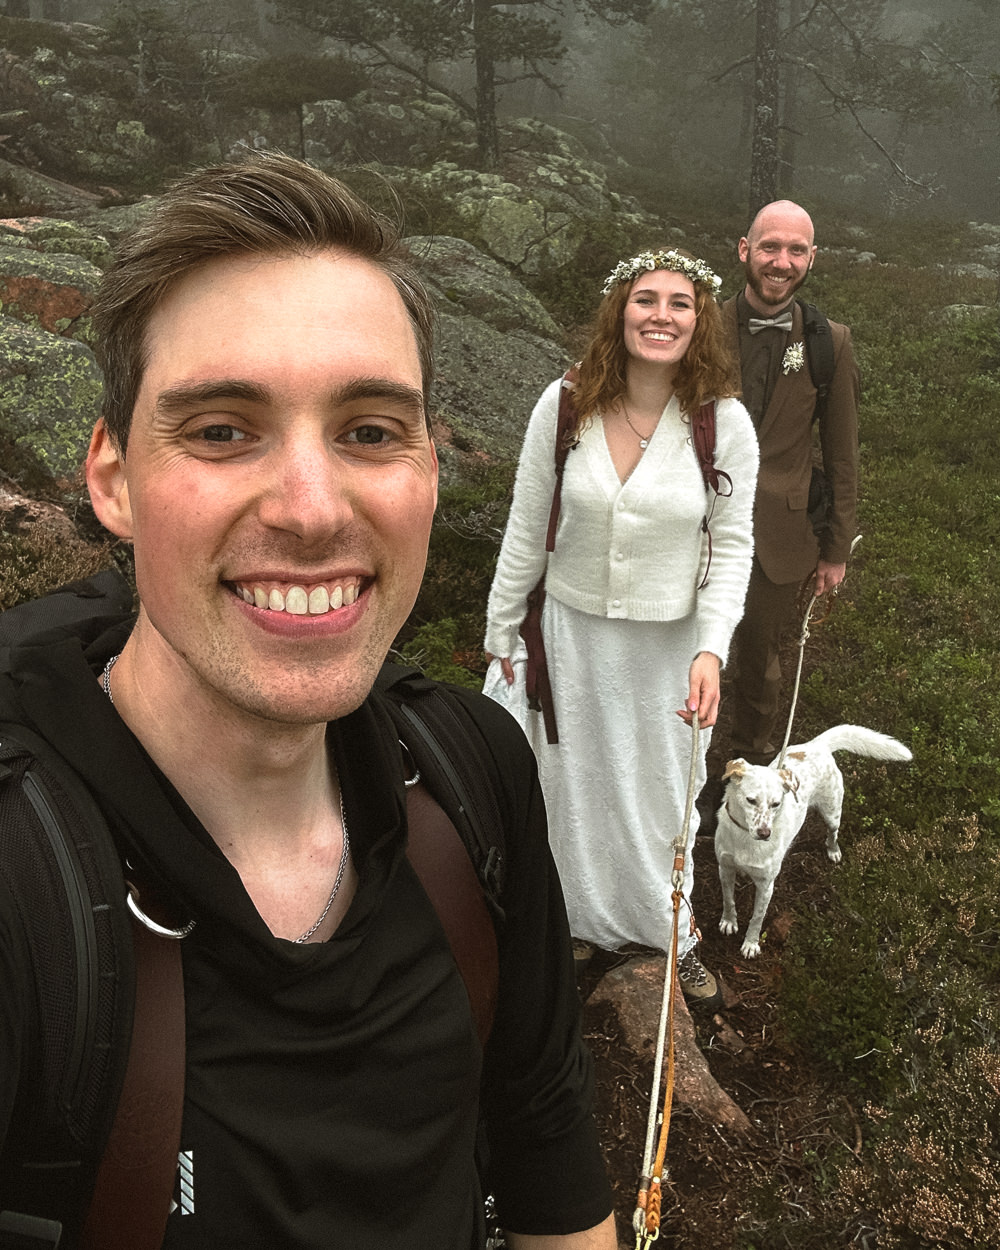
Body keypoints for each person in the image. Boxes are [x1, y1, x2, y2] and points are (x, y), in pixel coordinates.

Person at [0, 153, 616, 1249]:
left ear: (431, 467)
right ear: (110, 478)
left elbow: (549, 1167)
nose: (312, 507)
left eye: (371, 430)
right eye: (223, 429)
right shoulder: (21, 883)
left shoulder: (473, 773)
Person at [483, 249, 759, 1004]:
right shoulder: (567, 403)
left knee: (661, 790)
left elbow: (733, 546)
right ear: (620, 311)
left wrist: (711, 648)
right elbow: (525, 522)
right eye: (646, 299)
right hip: (571, 634)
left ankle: (672, 930)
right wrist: (502, 629)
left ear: (699, 322)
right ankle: (573, 920)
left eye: (680, 303)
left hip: (667, 645)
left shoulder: (722, 423)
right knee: (569, 786)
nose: (661, 315)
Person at [721, 200, 860, 767]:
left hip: (779, 536)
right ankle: (671, 775)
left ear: (811, 258)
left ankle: (746, 771)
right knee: (677, 651)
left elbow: (844, 453)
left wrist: (836, 548)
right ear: (744, 249)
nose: (781, 261)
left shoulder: (831, 342)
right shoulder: (697, 324)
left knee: (760, 660)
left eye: (795, 250)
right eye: (770, 247)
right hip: (692, 522)